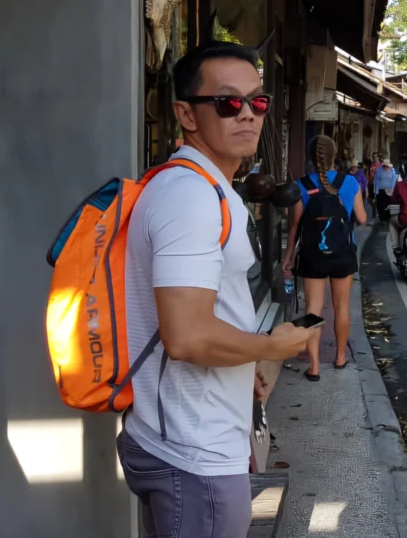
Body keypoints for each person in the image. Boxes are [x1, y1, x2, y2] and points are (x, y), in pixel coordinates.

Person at [118, 42, 313, 538]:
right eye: (228, 102)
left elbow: (204, 315)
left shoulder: (196, 186)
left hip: (180, 434)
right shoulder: (191, 197)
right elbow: (187, 338)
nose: (247, 114)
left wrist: (245, 362)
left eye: (257, 102)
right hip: (192, 451)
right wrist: (270, 347)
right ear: (185, 113)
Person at [282, 136, 367, 379]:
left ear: (311, 157)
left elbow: (295, 226)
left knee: (312, 311)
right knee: (341, 307)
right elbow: (361, 219)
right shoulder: (349, 182)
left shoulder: (302, 185)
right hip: (342, 254)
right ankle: (340, 358)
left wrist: (289, 258)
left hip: (312, 256)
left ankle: (314, 366)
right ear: (335, 154)